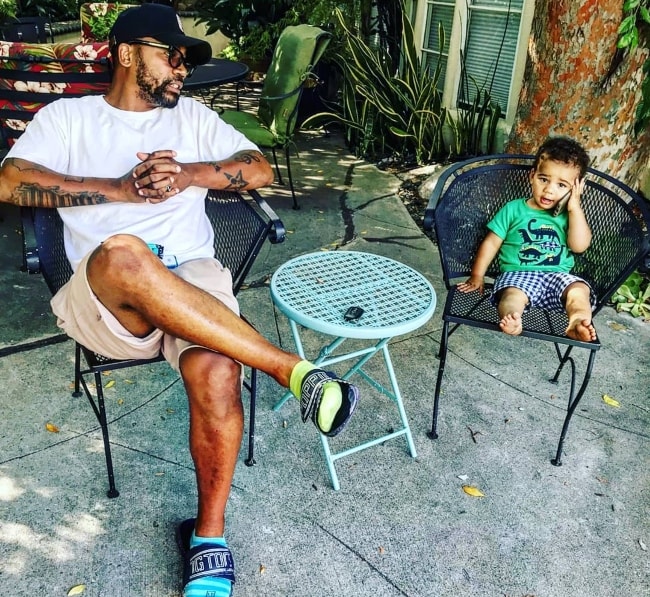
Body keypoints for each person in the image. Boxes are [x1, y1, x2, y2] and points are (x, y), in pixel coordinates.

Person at [0, 4, 358, 597]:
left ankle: (209, 540)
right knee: (125, 254)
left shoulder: (193, 118)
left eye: (186, 60)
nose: (182, 70)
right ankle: (292, 372)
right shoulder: (68, 119)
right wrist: (119, 188)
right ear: (125, 53)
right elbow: (10, 181)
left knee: (218, 370)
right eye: (171, 56)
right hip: (109, 297)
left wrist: (189, 174)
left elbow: (261, 170)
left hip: (193, 277)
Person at [457, 136, 597, 342]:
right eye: (544, 179)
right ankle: (512, 318)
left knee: (579, 290)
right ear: (532, 176)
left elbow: (579, 246)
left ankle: (577, 321)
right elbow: (491, 242)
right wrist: (477, 275)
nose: (549, 189)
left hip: (557, 276)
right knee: (511, 296)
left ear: (575, 189)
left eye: (561, 185)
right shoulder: (513, 209)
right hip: (518, 274)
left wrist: (575, 207)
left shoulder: (570, 216)